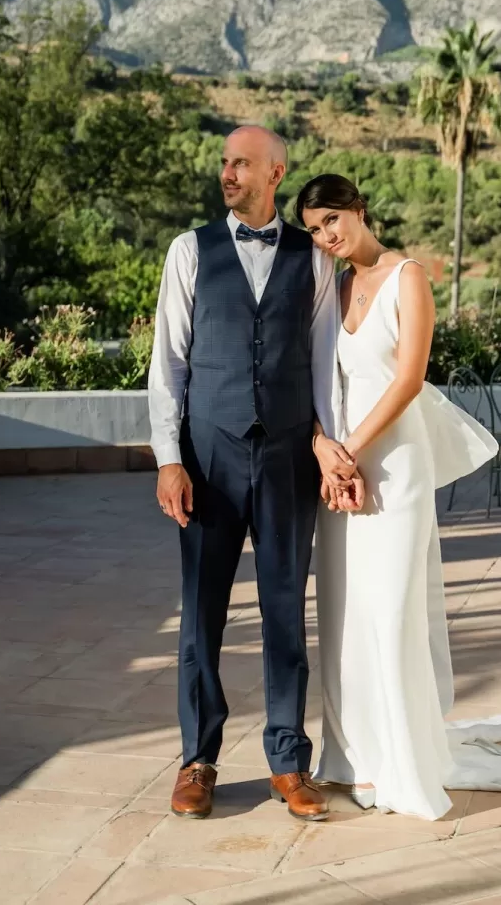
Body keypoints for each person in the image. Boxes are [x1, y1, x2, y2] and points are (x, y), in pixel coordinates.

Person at [300, 172, 501, 821]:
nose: (326, 237)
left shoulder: (407, 276)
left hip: (393, 469)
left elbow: (409, 380)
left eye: (332, 221)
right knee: (343, 616)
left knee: (390, 612)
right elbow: (309, 378)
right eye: (315, 229)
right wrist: (326, 450)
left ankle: (400, 762)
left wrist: (350, 450)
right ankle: (351, 758)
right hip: (337, 474)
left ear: (359, 207)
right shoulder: (328, 285)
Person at [148, 127, 357, 822]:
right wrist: (170, 458)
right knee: (201, 612)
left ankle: (288, 762)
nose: (227, 172)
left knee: (283, 611)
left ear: (276, 172)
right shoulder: (189, 250)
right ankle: (198, 760)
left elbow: (325, 361)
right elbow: (168, 364)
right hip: (208, 455)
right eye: (224, 162)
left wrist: (327, 443)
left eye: (241, 163)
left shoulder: (314, 259)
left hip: (290, 456)